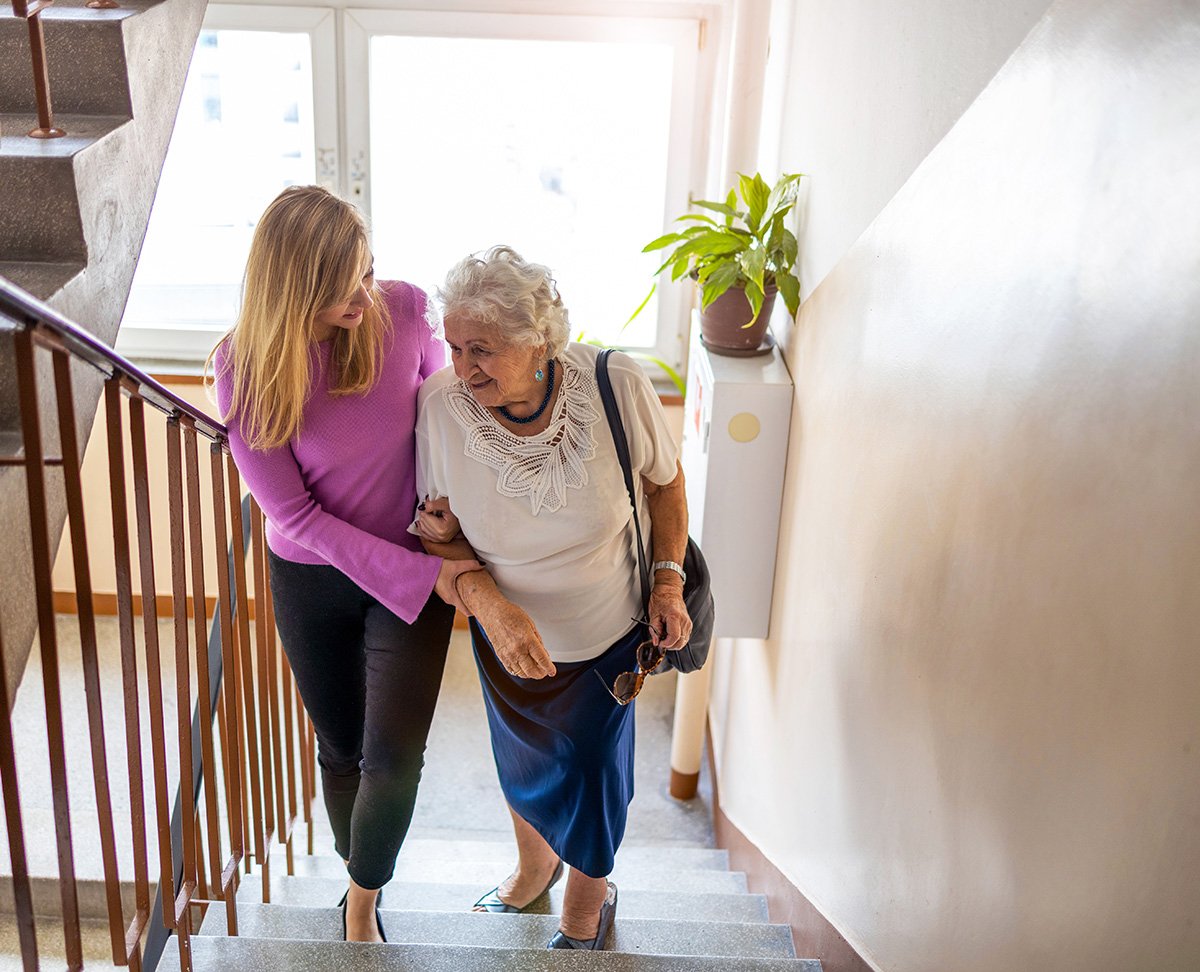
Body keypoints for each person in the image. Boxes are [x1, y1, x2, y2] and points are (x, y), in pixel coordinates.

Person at [210, 185, 481, 943]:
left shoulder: (402, 309)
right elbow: (293, 515)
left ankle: (362, 901)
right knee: (341, 750)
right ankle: (358, 867)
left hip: (411, 564)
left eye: (368, 271)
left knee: (394, 756)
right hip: (313, 578)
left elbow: (447, 412)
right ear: (294, 286)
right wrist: (428, 578)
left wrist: (448, 515)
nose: (366, 293)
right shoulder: (244, 368)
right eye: (344, 285)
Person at [412, 246, 693, 951]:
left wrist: (667, 579)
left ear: (539, 341)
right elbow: (437, 532)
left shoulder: (613, 382)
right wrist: (488, 603)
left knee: (595, 772)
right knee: (525, 762)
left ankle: (584, 908)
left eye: (484, 348)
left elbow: (665, 485)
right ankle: (534, 867)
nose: (463, 366)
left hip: (609, 638)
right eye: (453, 346)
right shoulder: (440, 408)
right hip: (505, 636)